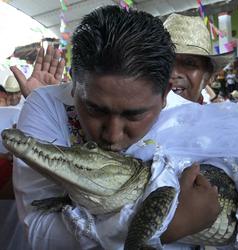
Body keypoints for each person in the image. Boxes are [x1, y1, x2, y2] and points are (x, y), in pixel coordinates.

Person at [12, 6, 220, 250]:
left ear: (165, 95)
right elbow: (40, 232)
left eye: (134, 115)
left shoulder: (191, 119)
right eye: (96, 109)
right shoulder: (47, 105)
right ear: (73, 83)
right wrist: (164, 229)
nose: (112, 135)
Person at [164, 13, 233, 104]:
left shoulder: (223, 117)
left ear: (208, 76)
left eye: (189, 63)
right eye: (166, 61)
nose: (175, 73)